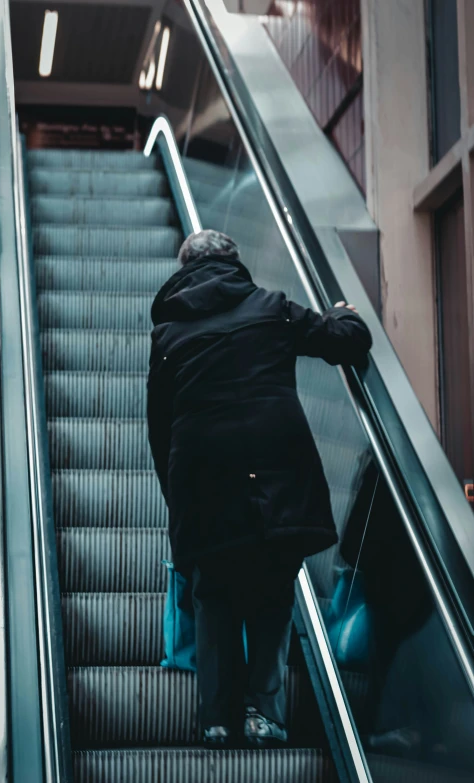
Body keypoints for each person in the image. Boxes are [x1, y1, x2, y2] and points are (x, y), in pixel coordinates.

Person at [147, 229, 372, 748]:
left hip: (201, 484)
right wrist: (346, 314)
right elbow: (341, 340)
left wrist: (177, 498)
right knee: (271, 598)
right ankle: (263, 716)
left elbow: (160, 429)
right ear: (234, 262)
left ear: (184, 271)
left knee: (213, 597)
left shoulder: (168, 337)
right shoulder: (270, 307)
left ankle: (217, 721)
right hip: (277, 483)